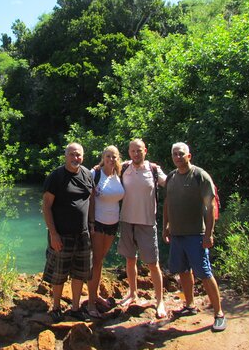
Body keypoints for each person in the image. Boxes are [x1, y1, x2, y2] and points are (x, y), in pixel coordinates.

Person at [163, 142, 227, 332]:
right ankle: (189, 305)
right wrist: (166, 225)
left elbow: (211, 206)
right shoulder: (172, 177)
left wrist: (209, 234)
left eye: (181, 154)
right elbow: (167, 202)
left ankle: (219, 314)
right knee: (183, 270)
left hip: (196, 235)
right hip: (177, 234)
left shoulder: (200, 176)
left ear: (189, 156)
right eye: (174, 154)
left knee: (205, 273)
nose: (177, 157)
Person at [42, 142, 94, 322]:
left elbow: (91, 199)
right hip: (61, 234)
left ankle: (76, 307)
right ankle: (56, 307)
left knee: (80, 273)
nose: (75, 158)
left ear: (83, 156)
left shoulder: (87, 174)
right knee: (59, 273)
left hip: (83, 234)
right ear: (66, 156)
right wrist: (53, 234)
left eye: (78, 155)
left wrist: (92, 224)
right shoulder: (56, 177)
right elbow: (46, 206)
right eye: (72, 154)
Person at [117, 138, 168, 319]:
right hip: (126, 221)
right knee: (130, 260)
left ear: (145, 150)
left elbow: (170, 183)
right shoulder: (123, 168)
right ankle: (133, 293)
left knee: (153, 264)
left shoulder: (153, 169)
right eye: (132, 151)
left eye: (139, 150)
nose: (136, 154)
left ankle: (160, 301)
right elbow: (104, 169)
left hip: (147, 222)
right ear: (129, 152)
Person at [86, 145, 125, 318]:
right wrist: (91, 222)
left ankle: (95, 296)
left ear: (118, 158)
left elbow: (140, 163)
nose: (111, 159)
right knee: (97, 261)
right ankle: (91, 303)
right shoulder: (95, 173)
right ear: (103, 157)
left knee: (100, 260)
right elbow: (87, 195)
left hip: (113, 223)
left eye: (114, 156)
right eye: (108, 156)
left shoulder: (121, 173)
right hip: (98, 223)